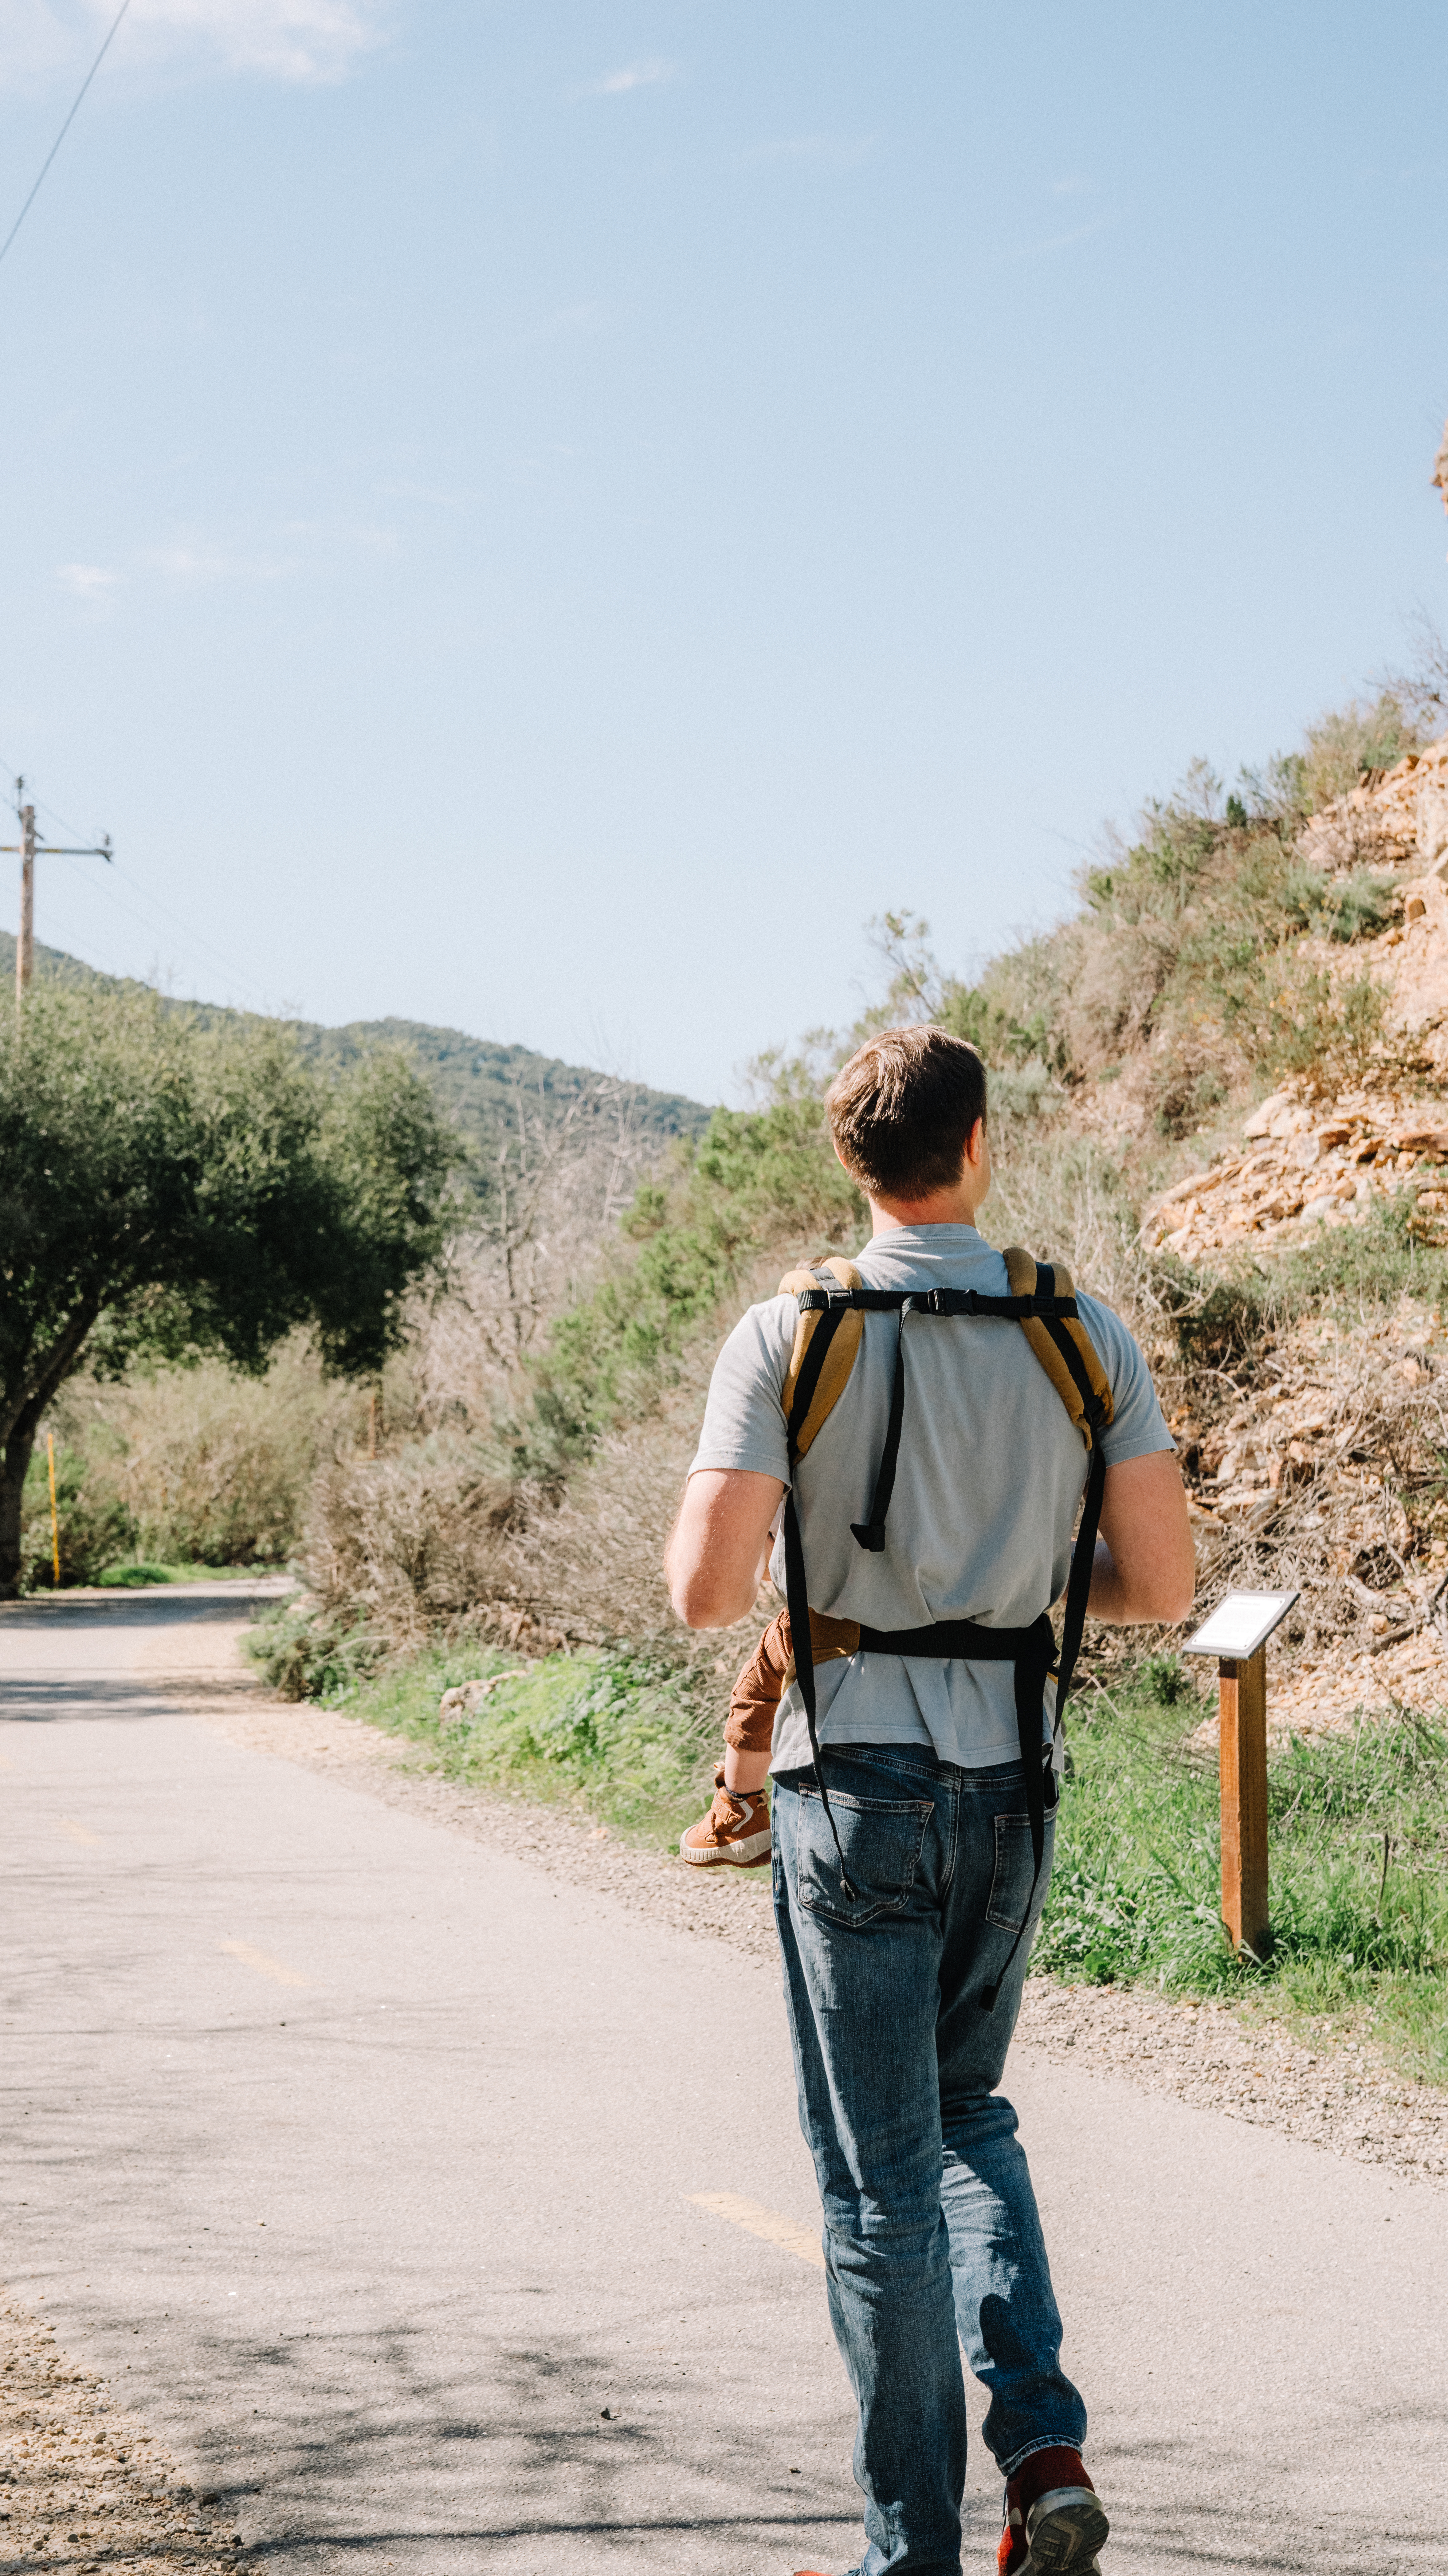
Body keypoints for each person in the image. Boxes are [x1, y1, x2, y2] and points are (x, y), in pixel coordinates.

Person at [664, 1026, 1194, 2576]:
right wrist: (1006, 1586)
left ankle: (910, 2555)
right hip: (1012, 1778)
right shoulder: (1079, 1329)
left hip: (854, 1786)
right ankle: (1042, 2449)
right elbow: (1163, 1585)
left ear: (852, 1162)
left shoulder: (792, 1332)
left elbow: (705, 1592)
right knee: (970, 2116)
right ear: (979, 1145)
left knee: (876, 2182)